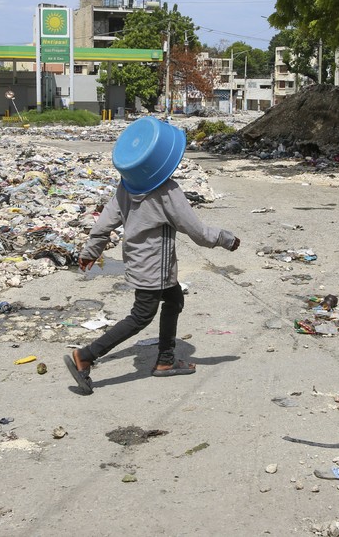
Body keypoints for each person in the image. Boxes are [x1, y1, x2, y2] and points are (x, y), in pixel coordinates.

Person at [64, 117, 240, 395]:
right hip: (154, 268)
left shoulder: (127, 185)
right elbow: (198, 232)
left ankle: (166, 361)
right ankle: (86, 356)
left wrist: (90, 252)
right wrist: (228, 240)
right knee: (141, 316)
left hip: (137, 262)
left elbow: (104, 223)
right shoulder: (166, 191)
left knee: (174, 299)